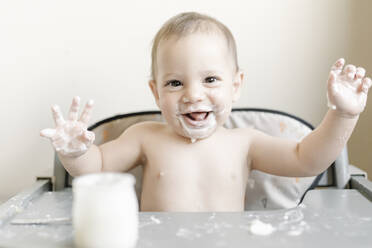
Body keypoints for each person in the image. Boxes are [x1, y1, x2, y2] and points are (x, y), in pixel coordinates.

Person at [40, 12, 371, 211]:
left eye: (211, 79)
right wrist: (76, 153)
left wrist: (342, 115)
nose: (193, 95)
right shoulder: (144, 137)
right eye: (174, 83)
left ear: (235, 85)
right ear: (155, 91)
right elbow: (94, 168)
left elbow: (307, 159)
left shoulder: (246, 143)